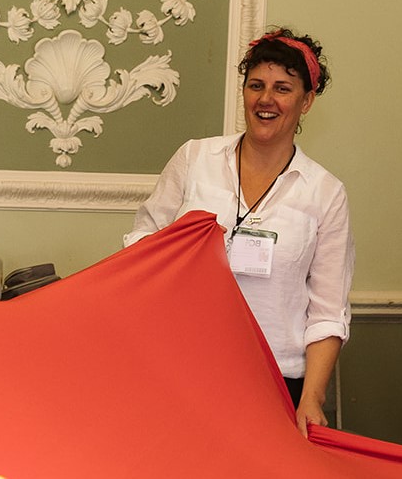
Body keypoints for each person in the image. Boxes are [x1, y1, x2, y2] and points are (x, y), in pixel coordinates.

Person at [124, 27, 354, 437]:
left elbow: (327, 312)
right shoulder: (196, 158)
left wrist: (312, 398)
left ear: (307, 101)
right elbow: (142, 248)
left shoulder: (325, 193)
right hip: (180, 370)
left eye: (283, 88)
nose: (266, 99)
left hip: (274, 382)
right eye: (256, 85)